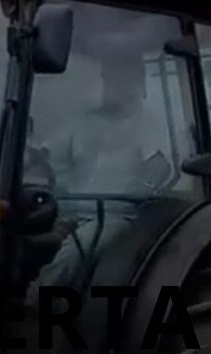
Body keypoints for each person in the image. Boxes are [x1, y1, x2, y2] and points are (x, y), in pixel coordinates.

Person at [25, 51, 170, 304]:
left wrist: (139, 193)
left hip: (116, 213)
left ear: (140, 84)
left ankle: (33, 307)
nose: (118, 86)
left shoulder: (148, 124)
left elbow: (159, 167)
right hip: (69, 209)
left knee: (75, 254)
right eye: (112, 79)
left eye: (126, 79)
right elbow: (45, 155)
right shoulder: (84, 121)